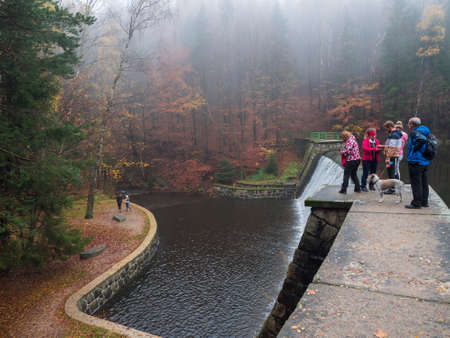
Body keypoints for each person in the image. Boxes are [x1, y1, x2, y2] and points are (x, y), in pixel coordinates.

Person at [405, 117, 430, 209]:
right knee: (424, 182)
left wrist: (414, 149)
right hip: (424, 161)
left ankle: (416, 203)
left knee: (416, 183)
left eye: (409, 124)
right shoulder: (425, 131)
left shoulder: (415, 132)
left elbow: (422, 140)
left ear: (412, 124)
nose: (408, 125)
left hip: (415, 161)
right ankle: (424, 202)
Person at [380, 120, 403, 194]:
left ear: (390, 127)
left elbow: (391, 148)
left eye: (387, 128)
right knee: (392, 172)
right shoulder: (395, 133)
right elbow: (390, 145)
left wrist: (387, 158)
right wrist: (383, 146)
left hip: (392, 157)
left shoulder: (394, 135)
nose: (386, 130)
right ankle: (394, 188)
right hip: (393, 156)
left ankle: (393, 189)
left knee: (392, 173)